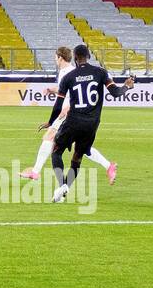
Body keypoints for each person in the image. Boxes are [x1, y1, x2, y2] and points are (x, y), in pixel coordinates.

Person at [49, 45, 134, 203]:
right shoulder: (100, 72)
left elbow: (58, 104)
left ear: (75, 57)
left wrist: (50, 122)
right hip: (92, 125)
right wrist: (127, 86)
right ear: (88, 56)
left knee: (56, 151)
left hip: (73, 121)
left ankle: (63, 185)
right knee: (77, 158)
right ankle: (65, 187)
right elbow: (116, 93)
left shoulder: (69, 76)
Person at [22, 46, 118, 184]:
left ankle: (37, 173)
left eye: (55, 57)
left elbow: (79, 93)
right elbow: (65, 90)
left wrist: (67, 107)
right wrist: (51, 90)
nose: (55, 60)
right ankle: (109, 166)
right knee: (81, 147)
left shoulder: (70, 72)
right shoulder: (67, 71)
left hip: (70, 114)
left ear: (60, 57)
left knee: (49, 137)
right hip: (73, 114)